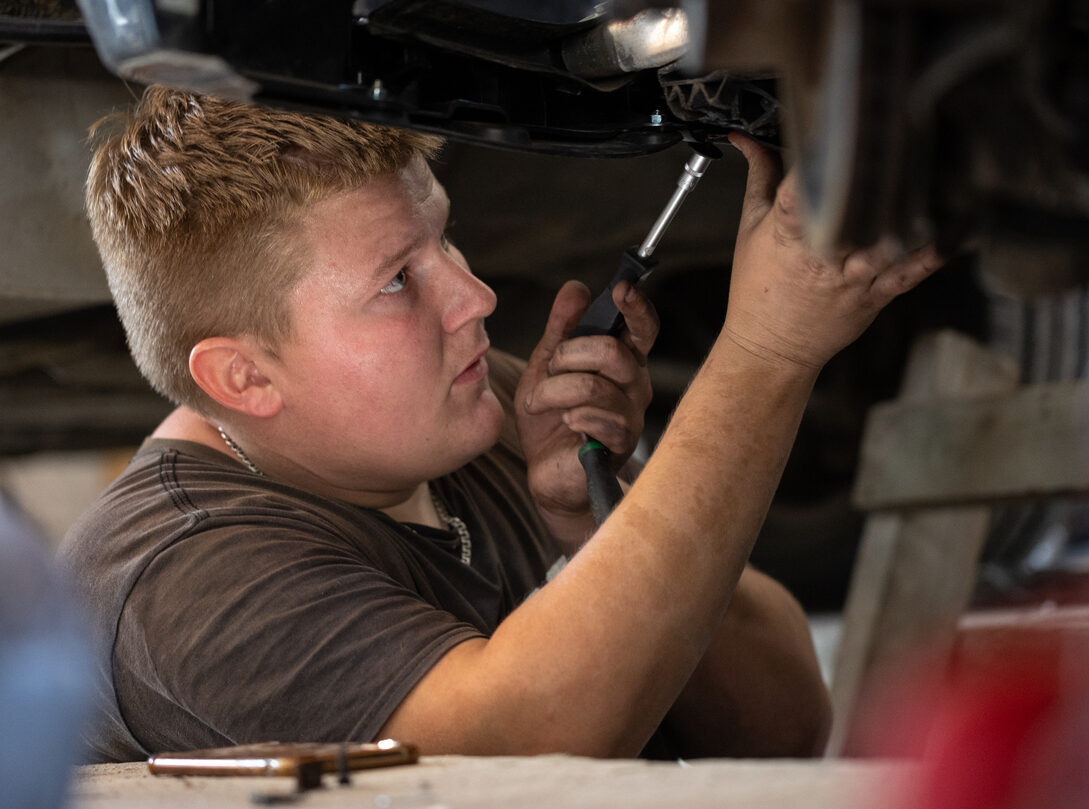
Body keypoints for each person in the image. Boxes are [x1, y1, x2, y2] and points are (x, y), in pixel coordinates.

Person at [61, 86, 940, 763]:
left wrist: (593, 515)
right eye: (398, 281)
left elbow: (785, 719)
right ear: (245, 376)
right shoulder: (182, 577)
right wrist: (765, 354)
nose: (476, 298)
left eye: (444, 239)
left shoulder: (484, 419)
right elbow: (519, 748)